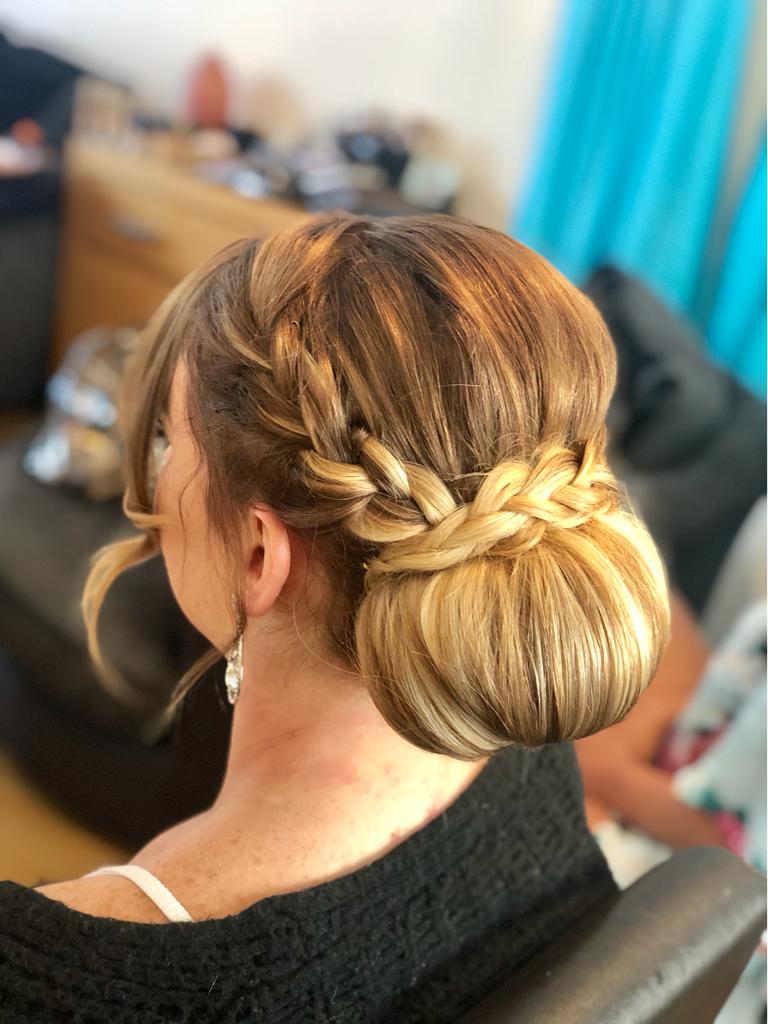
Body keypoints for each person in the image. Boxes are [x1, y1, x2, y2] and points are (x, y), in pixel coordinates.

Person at [0, 214, 670, 1023]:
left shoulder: (57, 985)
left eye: (172, 440)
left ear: (258, 554)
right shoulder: (523, 748)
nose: (155, 477)